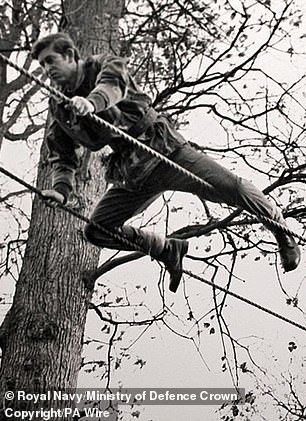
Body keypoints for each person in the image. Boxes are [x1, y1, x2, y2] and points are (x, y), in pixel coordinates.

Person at [31, 33, 300, 293]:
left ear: (69, 55)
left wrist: (91, 103)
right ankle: (167, 249)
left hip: (165, 151)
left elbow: (112, 86)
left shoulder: (104, 64)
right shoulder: (61, 106)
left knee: (234, 188)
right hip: (133, 172)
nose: (46, 69)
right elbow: (62, 153)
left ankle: (281, 230)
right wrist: (61, 190)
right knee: (97, 230)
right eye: (42, 65)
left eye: (50, 61)